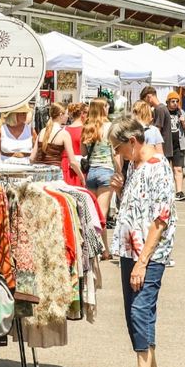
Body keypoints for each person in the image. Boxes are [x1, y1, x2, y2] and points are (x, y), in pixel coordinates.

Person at [106, 117, 176, 367]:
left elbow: (160, 218)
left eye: (118, 147)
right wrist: (120, 190)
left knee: (139, 312)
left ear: (132, 142)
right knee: (136, 313)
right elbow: (138, 207)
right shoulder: (135, 167)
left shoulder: (158, 168)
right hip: (130, 250)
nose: (117, 154)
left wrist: (143, 261)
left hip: (147, 253)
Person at [81, 99, 120, 259]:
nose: (108, 107)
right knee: (101, 214)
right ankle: (96, 248)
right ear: (102, 108)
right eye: (106, 105)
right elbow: (115, 152)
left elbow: (83, 151)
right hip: (106, 170)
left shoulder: (87, 127)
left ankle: (105, 250)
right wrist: (119, 171)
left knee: (93, 212)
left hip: (91, 172)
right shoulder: (110, 127)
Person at [32, 101, 83, 185]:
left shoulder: (42, 131)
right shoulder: (64, 134)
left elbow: (32, 158)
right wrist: (82, 178)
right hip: (54, 176)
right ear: (61, 115)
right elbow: (73, 162)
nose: (68, 116)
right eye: (66, 114)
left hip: (38, 177)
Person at [165, 91, 185, 202]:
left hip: (178, 144)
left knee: (178, 169)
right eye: (172, 101)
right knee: (165, 169)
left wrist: (183, 122)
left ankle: (179, 192)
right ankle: (165, 192)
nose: (175, 103)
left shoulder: (181, 112)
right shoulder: (164, 112)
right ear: (168, 102)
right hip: (166, 144)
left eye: (176, 101)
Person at [140, 86, 174, 163]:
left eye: (145, 101)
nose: (145, 104)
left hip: (162, 148)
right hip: (164, 148)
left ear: (149, 97)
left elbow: (157, 130)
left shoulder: (160, 109)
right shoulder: (160, 108)